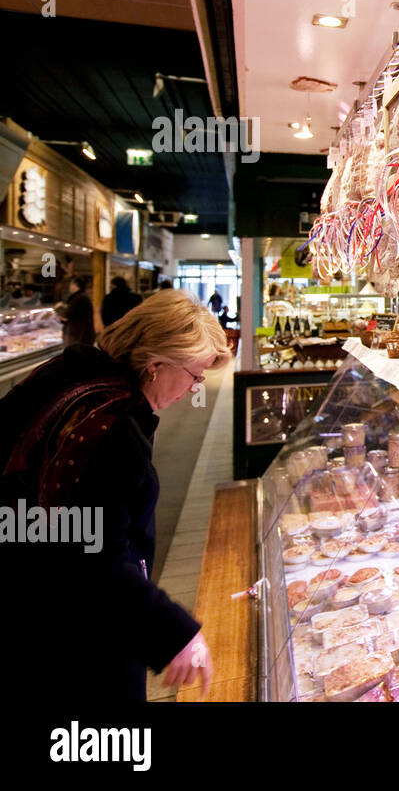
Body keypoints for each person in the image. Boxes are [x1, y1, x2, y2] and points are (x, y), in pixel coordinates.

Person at [0, 290, 230, 699]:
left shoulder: (69, 373)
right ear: (156, 365)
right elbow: (89, 556)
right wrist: (173, 632)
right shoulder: (110, 428)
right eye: (194, 376)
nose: (195, 388)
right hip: (68, 635)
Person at [58, 274, 95, 346]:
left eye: (71, 284)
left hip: (79, 335)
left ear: (76, 286)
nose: (70, 287)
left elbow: (68, 314)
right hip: (82, 335)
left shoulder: (79, 298)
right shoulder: (82, 297)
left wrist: (60, 310)